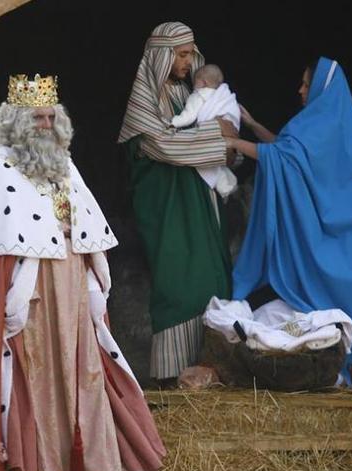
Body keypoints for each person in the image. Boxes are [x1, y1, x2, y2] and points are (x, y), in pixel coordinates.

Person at [0, 74, 169, 471]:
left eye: (50, 117)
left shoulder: (64, 165)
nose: (45, 125)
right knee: (41, 384)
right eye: (37, 118)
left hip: (72, 293)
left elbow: (86, 230)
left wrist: (92, 280)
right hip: (31, 302)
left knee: (86, 376)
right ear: (15, 122)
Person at [225, 57, 352, 387]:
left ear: (322, 88)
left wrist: (233, 143)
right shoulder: (330, 124)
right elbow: (289, 153)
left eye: (307, 83)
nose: (300, 90)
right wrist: (251, 124)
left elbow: (284, 157)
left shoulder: (319, 124)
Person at [119, 22, 238, 386]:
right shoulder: (145, 101)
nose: (189, 61)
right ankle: (173, 375)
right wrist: (221, 137)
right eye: (182, 54)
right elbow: (163, 145)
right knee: (180, 285)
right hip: (169, 210)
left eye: (190, 53)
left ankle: (210, 370)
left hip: (198, 206)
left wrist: (228, 141)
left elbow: (218, 136)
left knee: (211, 279)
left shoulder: (189, 93)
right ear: (162, 56)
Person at [169, 64, 241, 199]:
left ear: (203, 82)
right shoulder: (224, 97)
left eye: (195, 81)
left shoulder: (199, 95)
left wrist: (171, 123)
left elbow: (188, 116)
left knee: (205, 164)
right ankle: (228, 184)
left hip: (212, 136)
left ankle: (225, 186)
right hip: (230, 137)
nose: (193, 86)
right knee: (218, 163)